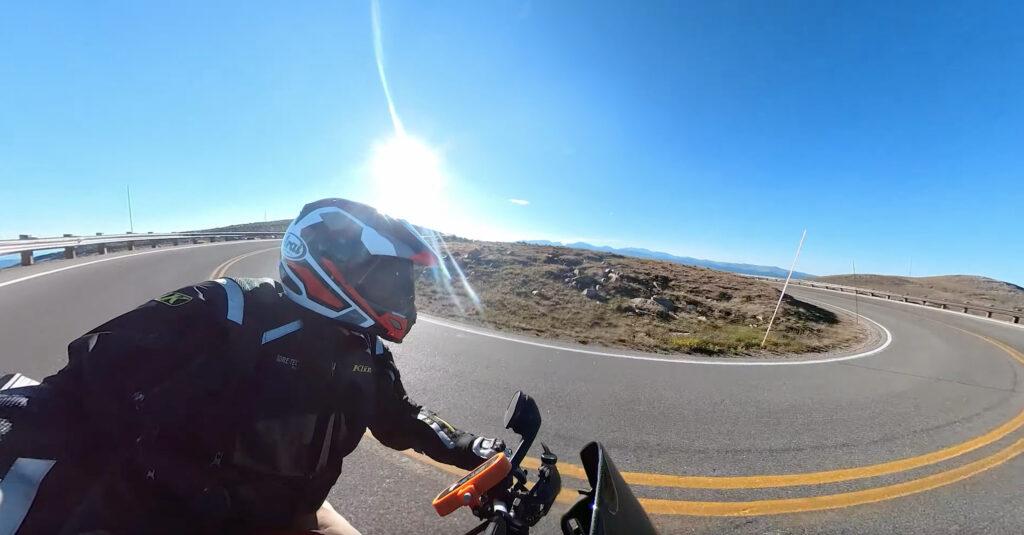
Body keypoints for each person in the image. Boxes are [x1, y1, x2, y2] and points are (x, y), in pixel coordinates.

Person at [0, 198, 505, 534]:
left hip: (291, 517)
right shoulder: (226, 310)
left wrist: (474, 449)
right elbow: (89, 372)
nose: (398, 296)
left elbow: (402, 421)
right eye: (386, 279)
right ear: (326, 262)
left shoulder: (365, 352)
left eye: (402, 283)